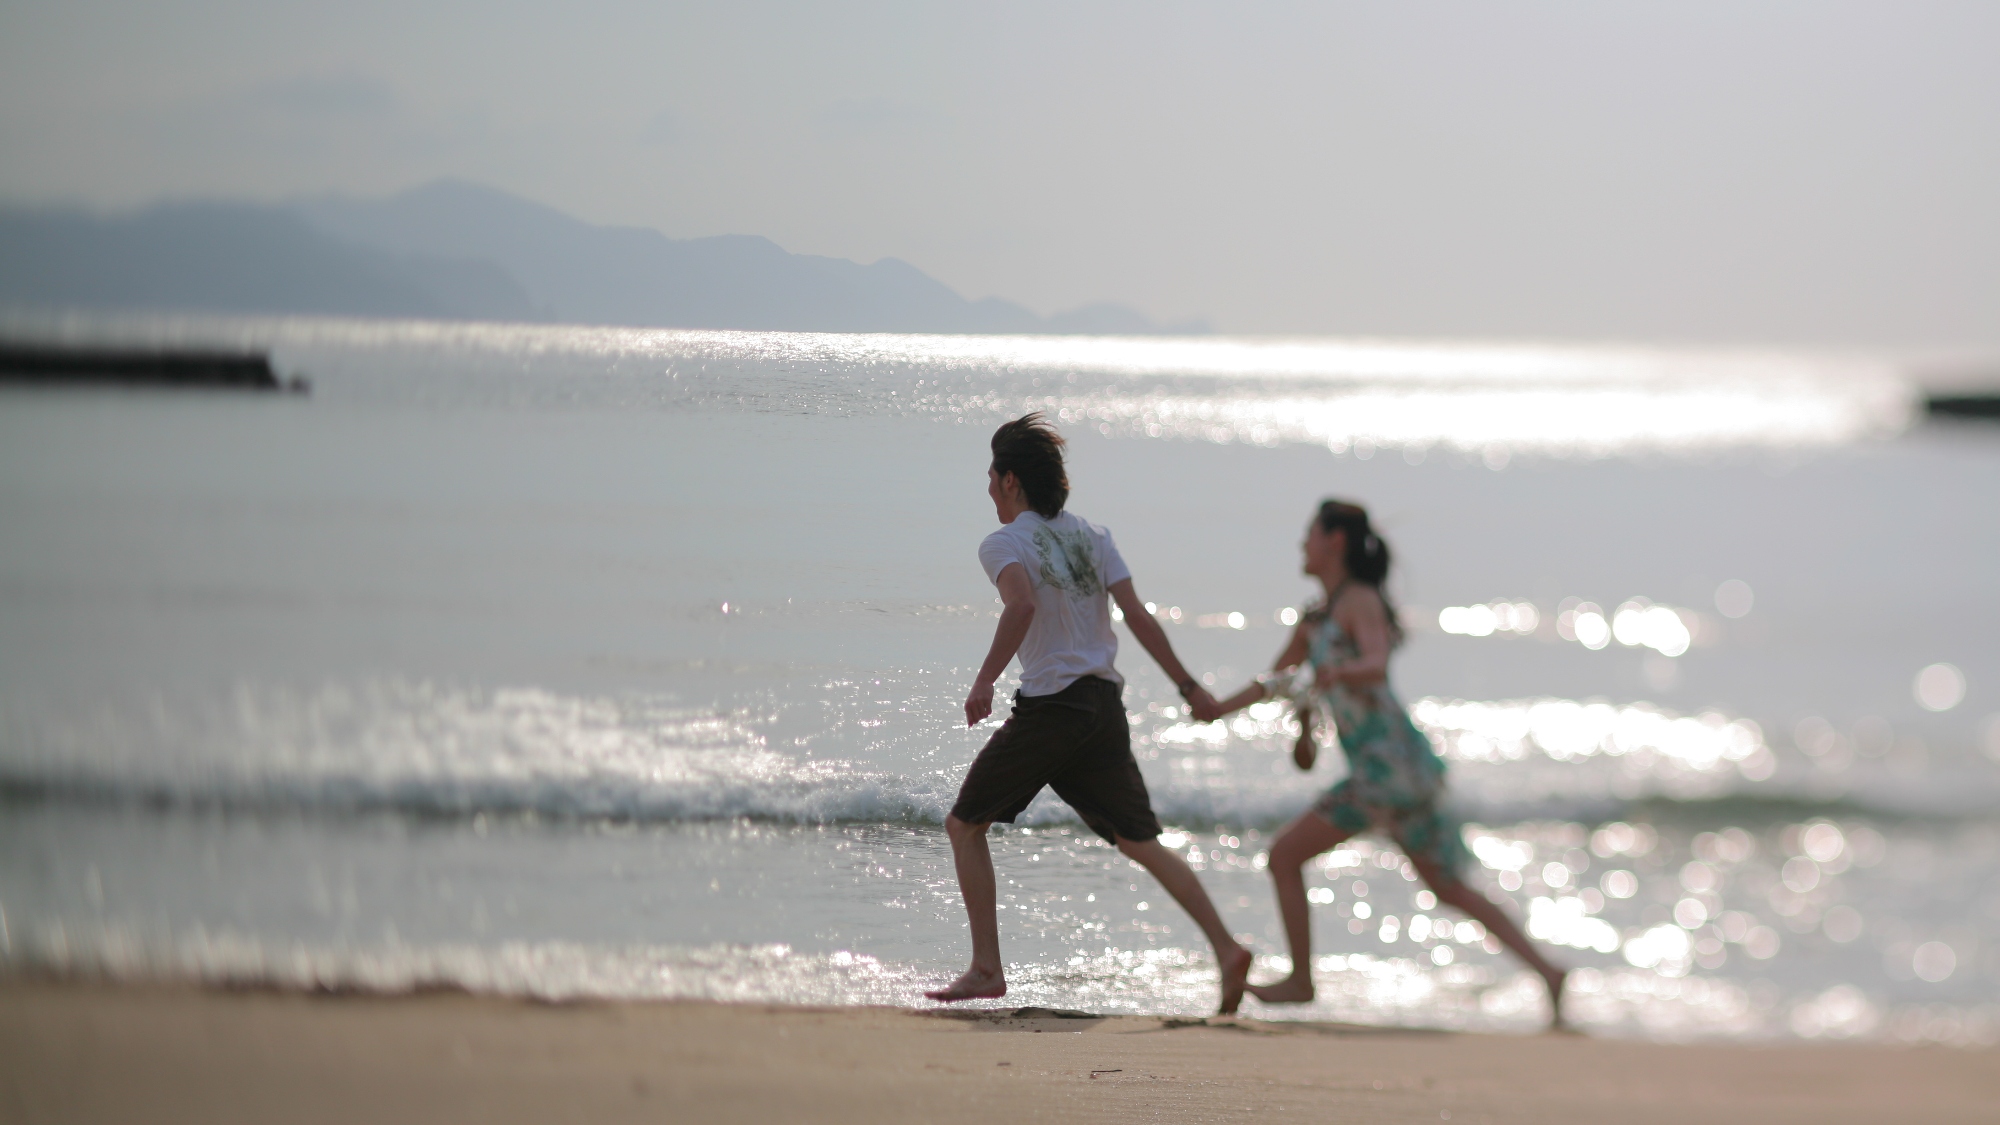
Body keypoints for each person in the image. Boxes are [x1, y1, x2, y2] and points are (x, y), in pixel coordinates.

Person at [924, 413, 1254, 1015]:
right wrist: (1189, 688)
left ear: (1012, 482)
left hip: (1054, 710)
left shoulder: (1004, 542)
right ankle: (1228, 948)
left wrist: (983, 680)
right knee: (1141, 840)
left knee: (964, 825)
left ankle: (985, 969)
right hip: (1103, 707)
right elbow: (1138, 616)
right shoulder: (1094, 537)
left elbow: (1020, 605)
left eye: (992, 477)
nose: (989, 489)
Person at [1196, 500, 1570, 1026]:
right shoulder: (1314, 620)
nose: (1301, 544)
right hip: (1399, 774)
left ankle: (1302, 979)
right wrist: (1216, 708)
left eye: (1310, 534)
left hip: (1386, 771)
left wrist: (1335, 676)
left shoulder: (1359, 600)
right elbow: (1274, 681)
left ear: (1335, 542)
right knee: (1449, 889)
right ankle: (1549, 973)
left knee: (1283, 858)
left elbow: (1375, 662)